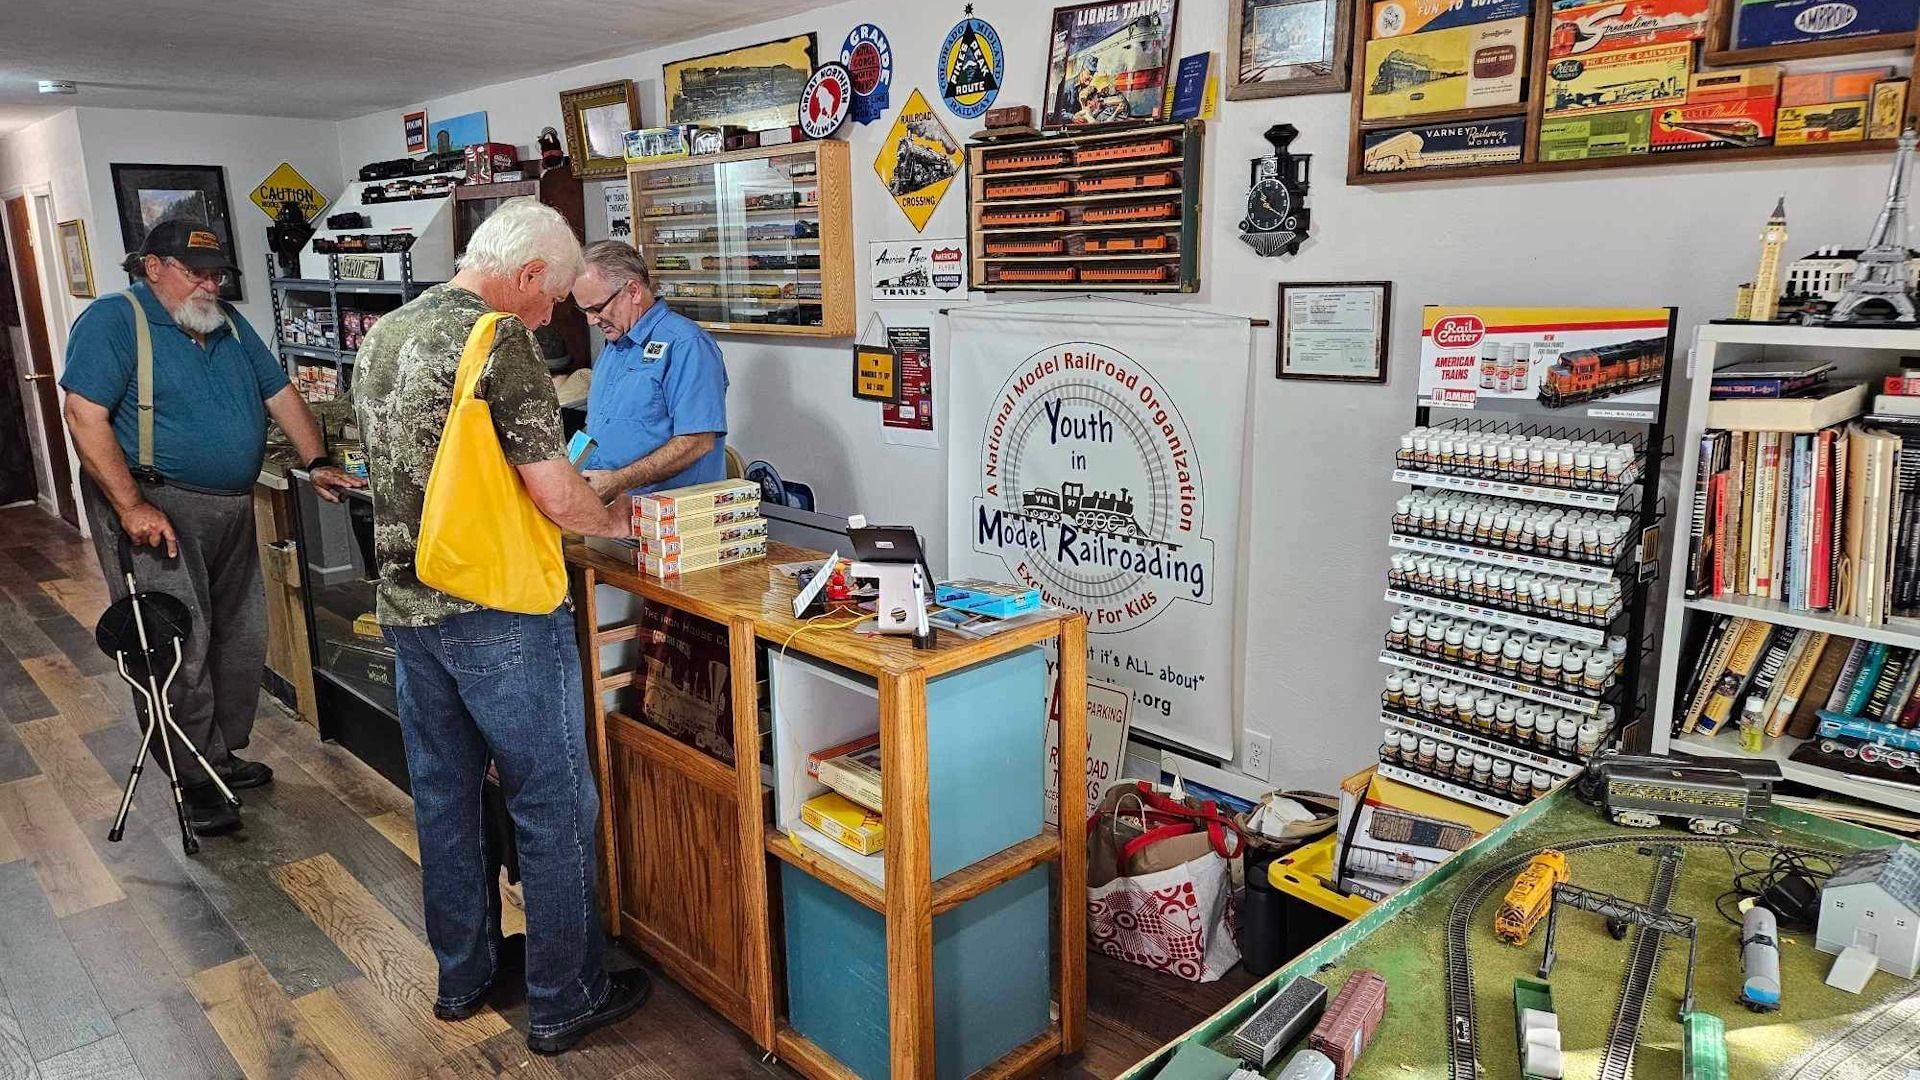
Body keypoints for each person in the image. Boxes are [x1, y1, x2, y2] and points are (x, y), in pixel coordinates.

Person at [351, 198, 647, 1056]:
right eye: (551, 295)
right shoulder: (499, 339)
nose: (552, 313)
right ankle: (566, 996)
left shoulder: (386, 333)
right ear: (523, 276)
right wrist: (623, 523)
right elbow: (556, 493)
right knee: (553, 803)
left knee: (446, 797)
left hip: (409, 607)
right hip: (499, 612)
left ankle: (465, 975)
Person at [60, 218, 363, 836]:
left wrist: (319, 461)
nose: (210, 283)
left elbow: (279, 391)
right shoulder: (116, 321)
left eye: (217, 272)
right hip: (156, 508)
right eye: (195, 272)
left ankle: (218, 754)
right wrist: (130, 507)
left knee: (238, 631)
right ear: (153, 268)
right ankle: (191, 776)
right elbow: (83, 415)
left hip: (227, 503)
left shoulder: (222, 322)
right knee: (174, 641)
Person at [568, 240, 728, 501]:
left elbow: (697, 442)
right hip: (612, 513)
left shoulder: (687, 345)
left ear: (633, 291)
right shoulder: (614, 345)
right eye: (584, 311)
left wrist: (618, 481)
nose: (591, 320)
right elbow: (600, 426)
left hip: (671, 522)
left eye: (597, 308)